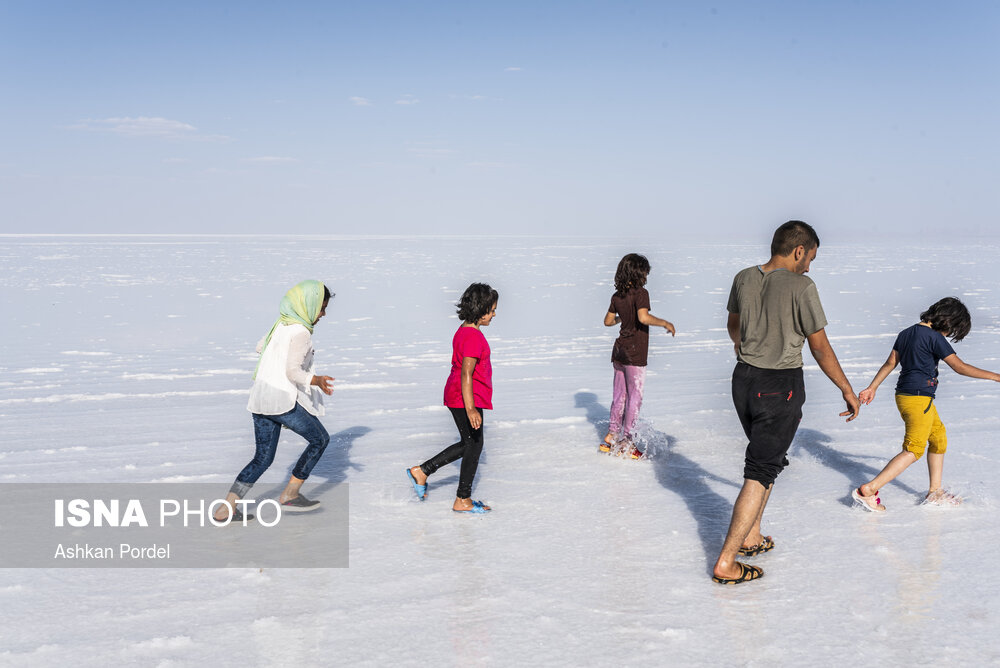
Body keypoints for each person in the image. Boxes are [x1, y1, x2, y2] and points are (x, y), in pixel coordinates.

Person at [712, 221, 860, 584]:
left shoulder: (744, 277)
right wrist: (846, 388)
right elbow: (819, 346)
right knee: (760, 470)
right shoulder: (801, 285)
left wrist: (745, 345)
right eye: (810, 257)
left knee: (768, 459)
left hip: (743, 379)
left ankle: (751, 535)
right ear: (798, 251)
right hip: (779, 386)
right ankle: (727, 562)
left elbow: (734, 324)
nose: (809, 266)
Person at [852, 297, 1000, 511]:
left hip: (905, 396)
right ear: (948, 321)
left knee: (938, 437)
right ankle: (869, 489)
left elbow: (891, 363)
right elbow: (960, 367)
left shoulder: (906, 333)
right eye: (952, 331)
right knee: (914, 449)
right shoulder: (933, 337)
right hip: (918, 398)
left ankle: (935, 492)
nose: (948, 336)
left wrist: (872, 387)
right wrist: (996, 376)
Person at [213, 280, 335, 523]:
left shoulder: (282, 324)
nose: (323, 314)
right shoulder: (300, 332)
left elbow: (260, 347)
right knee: (320, 439)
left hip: (260, 399)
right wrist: (315, 379)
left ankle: (225, 509)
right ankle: (290, 494)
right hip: (281, 402)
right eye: (321, 307)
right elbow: (293, 372)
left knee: (262, 459)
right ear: (309, 305)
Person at [407, 283, 498, 513]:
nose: (494, 314)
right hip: (466, 397)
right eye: (491, 309)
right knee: (474, 445)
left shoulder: (464, 330)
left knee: (470, 444)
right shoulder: (473, 338)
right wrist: (471, 409)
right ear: (480, 309)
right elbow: (467, 373)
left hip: (459, 395)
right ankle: (461, 498)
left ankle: (424, 472)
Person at [601, 253, 675, 459]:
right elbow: (643, 317)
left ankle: (611, 435)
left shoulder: (617, 296)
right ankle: (627, 441)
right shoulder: (641, 293)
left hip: (619, 351)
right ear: (639, 273)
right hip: (635, 353)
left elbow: (607, 321)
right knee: (635, 397)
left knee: (619, 396)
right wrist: (665, 323)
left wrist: (622, 318)